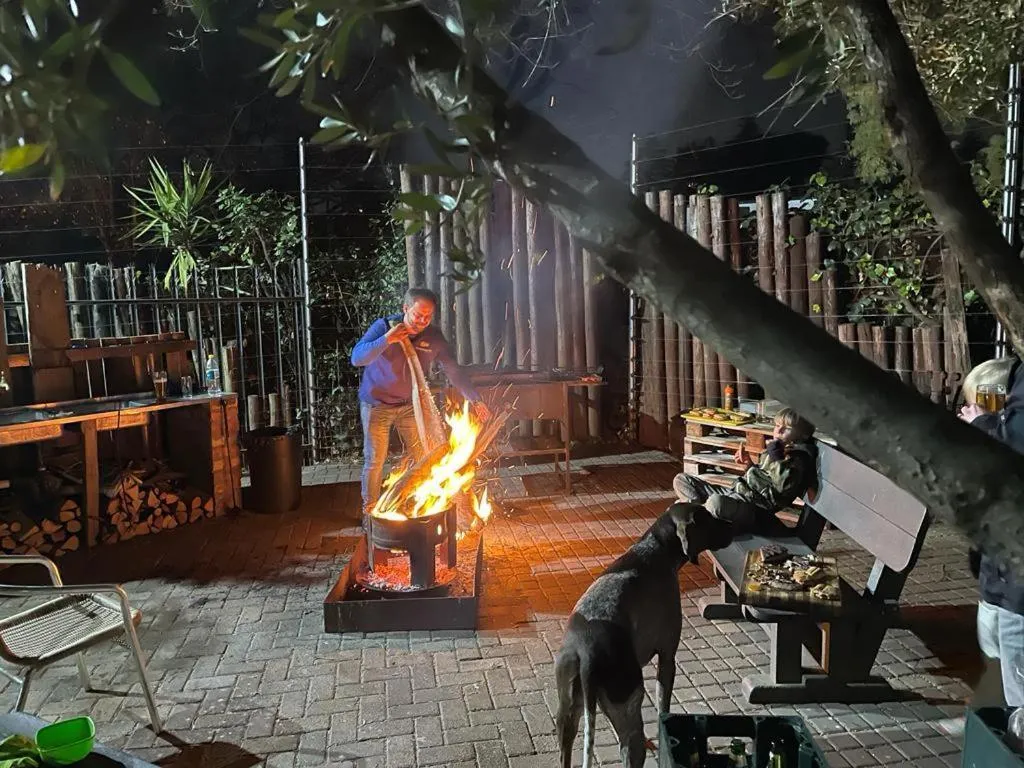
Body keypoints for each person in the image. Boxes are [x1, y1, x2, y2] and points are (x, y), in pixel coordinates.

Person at [352, 288, 490, 517]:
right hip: (376, 405)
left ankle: (421, 502)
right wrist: (387, 340)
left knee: (424, 457)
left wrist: (475, 399)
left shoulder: (433, 337)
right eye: (418, 315)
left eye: (427, 317)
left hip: (409, 407)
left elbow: (453, 370)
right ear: (406, 309)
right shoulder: (384, 327)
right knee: (375, 461)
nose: (422, 321)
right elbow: (357, 358)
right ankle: (370, 513)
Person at [959, 355, 1024, 706]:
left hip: (1014, 579)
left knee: (1015, 669)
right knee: (997, 653)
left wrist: (985, 426)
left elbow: (1014, 452)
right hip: (997, 574)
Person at [672, 407, 817, 535]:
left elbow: (782, 489)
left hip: (755, 508)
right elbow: (763, 476)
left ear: (801, 435)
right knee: (681, 479)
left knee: (715, 503)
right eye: (777, 425)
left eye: (786, 428)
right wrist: (749, 464)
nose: (778, 430)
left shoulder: (799, 458)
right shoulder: (778, 449)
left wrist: (778, 459)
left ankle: (691, 512)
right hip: (738, 493)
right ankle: (693, 511)